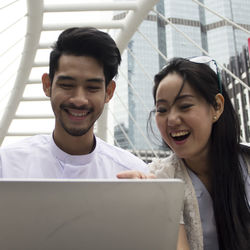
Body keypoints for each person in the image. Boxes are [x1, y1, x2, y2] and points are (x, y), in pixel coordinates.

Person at [118, 57, 250, 250]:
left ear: (217, 107)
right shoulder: (161, 179)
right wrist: (152, 203)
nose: (172, 119)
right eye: (162, 109)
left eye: (185, 106)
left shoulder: (246, 162)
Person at [0, 27, 148, 178]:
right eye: (67, 85)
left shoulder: (133, 174)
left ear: (108, 92)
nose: (79, 100)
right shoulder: (6, 166)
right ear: (47, 85)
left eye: (92, 87)